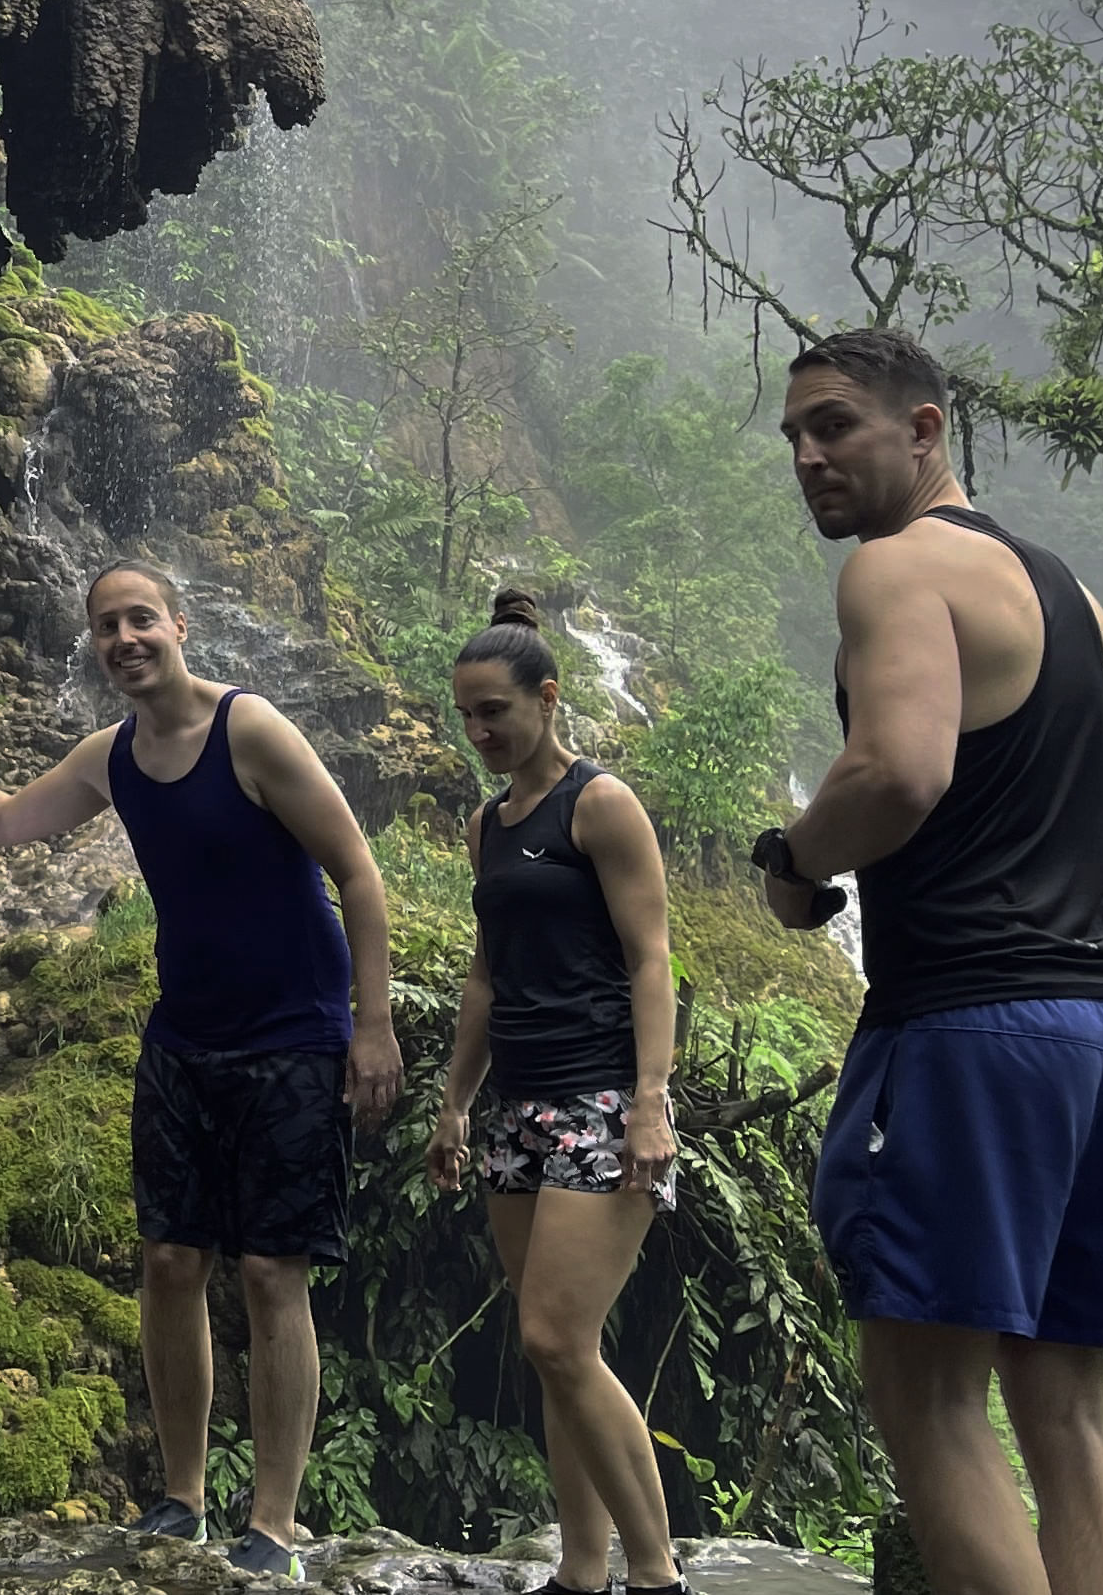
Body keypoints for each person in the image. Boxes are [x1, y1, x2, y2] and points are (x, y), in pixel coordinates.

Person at [750, 328, 1103, 1595]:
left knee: (928, 1403)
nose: (811, 456)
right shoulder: (1073, 600)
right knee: (1070, 1411)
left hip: (970, 1028)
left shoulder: (895, 567)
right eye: (795, 437)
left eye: (838, 427)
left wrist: (793, 861)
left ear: (925, 431)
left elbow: (898, 769)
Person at [0, 561, 402, 1582]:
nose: (125, 639)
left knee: (269, 1273)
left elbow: (357, 870)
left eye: (140, 620)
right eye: (106, 627)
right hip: (183, 1039)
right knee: (170, 1262)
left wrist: (371, 1025)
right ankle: (181, 1497)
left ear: (179, 623)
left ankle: (278, 1523)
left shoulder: (249, 731)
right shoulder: (110, 756)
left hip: (295, 1035)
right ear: (94, 643)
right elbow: (8, 820)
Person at [428, 591, 686, 1595]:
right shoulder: (488, 827)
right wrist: (455, 1105)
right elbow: (486, 976)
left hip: (600, 1104)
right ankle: (583, 1570)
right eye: (467, 717)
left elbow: (651, 958)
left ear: (547, 698)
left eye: (495, 711)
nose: (481, 732)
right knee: (555, 1357)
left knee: (557, 1337)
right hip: (516, 1110)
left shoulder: (600, 804)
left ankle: (657, 1575)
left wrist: (651, 1101)